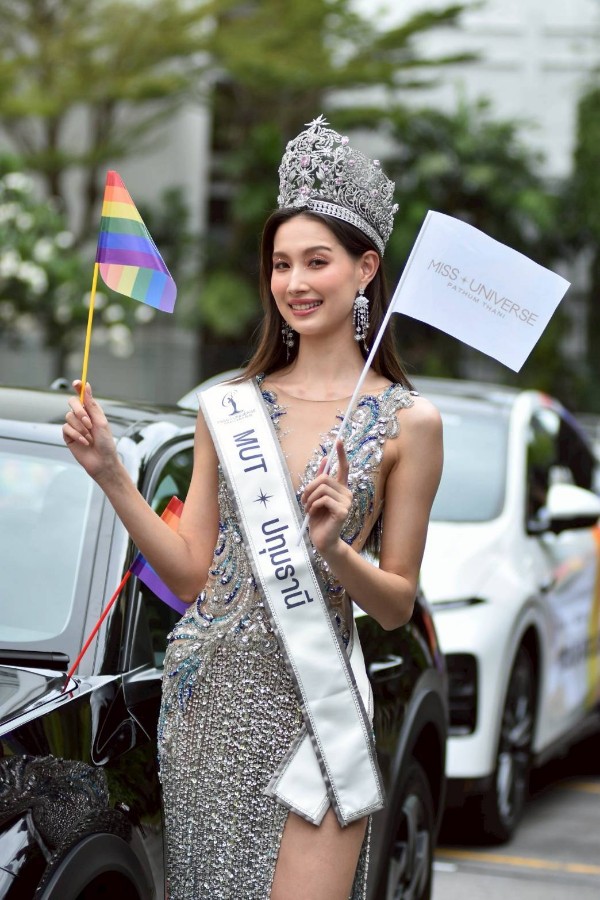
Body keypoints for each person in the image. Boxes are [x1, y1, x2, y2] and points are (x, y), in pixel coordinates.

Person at [63, 116, 443, 900]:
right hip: (209, 700)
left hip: (319, 713)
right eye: (280, 263)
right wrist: (111, 476)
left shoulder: (411, 423)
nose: (294, 282)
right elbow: (191, 574)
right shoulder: (227, 405)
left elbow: (397, 605)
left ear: (366, 268)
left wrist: (336, 551)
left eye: (317, 261)